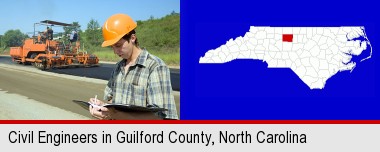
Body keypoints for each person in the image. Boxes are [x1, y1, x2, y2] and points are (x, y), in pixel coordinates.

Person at [89, 13, 178, 120]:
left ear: (132, 38)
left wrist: (114, 115)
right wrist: (102, 107)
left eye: (118, 45)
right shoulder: (118, 67)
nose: (115, 51)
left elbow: (159, 117)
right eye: (112, 47)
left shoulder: (154, 67)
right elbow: (113, 102)